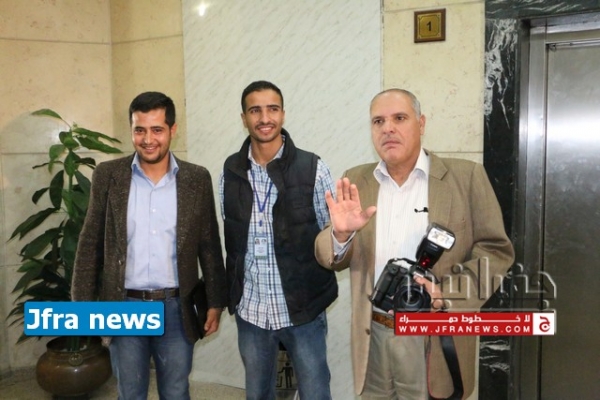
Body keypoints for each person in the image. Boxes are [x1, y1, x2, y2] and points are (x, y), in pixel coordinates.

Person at [315, 88, 515, 399]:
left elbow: (495, 251)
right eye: (378, 121)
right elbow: (327, 254)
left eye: (399, 118)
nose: (388, 128)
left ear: (420, 124)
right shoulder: (355, 180)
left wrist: (446, 295)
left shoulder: (466, 177)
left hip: (433, 333)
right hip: (373, 333)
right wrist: (340, 236)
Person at [72, 91, 227, 400]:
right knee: (130, 393)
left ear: (172, 130)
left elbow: (209, 244)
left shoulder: (196, 179)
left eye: (157, 129)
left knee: (176, 391)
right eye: (139, 130)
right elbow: (90, 243)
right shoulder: (108, 175)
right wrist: (83, 307)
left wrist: (215, 301)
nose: (147, 139)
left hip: (176, 307)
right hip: (124, 306)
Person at [220, 80, 337, 400]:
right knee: (258, 394)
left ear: (283, 114)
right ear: (243, 118)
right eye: (255, 110)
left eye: (272, 109)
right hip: (252, 311)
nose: (264, 118)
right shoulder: (230, 171)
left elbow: (331, 236)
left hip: (302, 309)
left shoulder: (313, 168)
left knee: (315, 392)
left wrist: (344, 234)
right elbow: (233, 241)